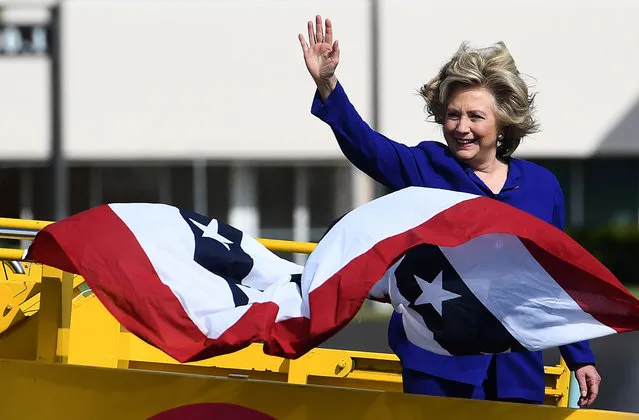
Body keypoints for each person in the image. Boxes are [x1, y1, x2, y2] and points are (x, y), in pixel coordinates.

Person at [297, 15, 602, 406]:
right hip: (439, 364)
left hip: (515, 368)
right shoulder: (427, 166)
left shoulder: (543, 186)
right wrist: (328, 86)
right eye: (453, 115)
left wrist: (580, 358)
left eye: (476, 116)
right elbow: (368, 149)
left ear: (503, 122)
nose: (461, 127)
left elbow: (557, 279)